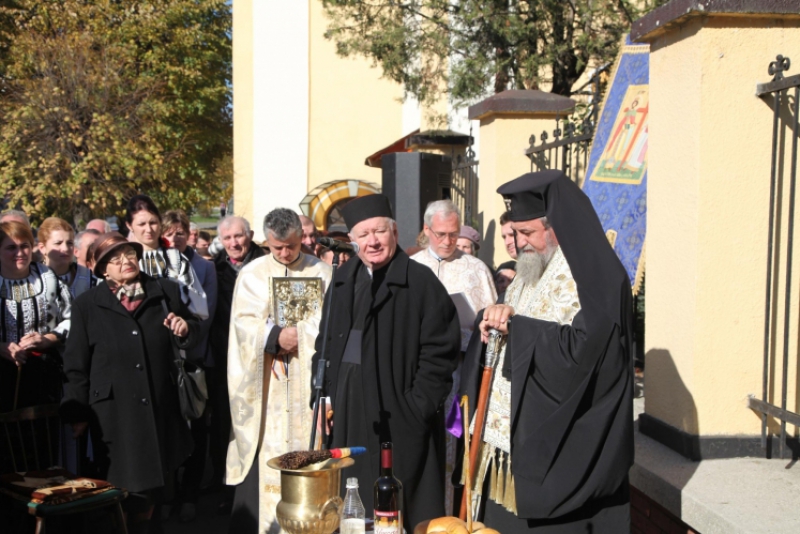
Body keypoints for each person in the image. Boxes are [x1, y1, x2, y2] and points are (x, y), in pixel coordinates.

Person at [462, 170, 634, 533]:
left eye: (527, 233)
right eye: (515, 233)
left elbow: (588, 352)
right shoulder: (530, 269)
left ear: (556, 227)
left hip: (566, 441)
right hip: (509, 437)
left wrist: (517, 329)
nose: (520, 243)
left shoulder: (599, 275)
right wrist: (489, 322)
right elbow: (515, 320)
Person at [312, 194, 461, 528]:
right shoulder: (342, 279)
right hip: (348, 416)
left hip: (400, 418)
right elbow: (324, 345)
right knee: (352, 503)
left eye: (380, 232)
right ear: (352, 241)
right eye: (363, 235)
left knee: (399, 507)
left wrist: (416, 407)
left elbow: (441, 352)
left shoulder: (421, 283)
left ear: (395, 232)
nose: (373, 241)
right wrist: (321, 399)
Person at [60, 232, 199, 534]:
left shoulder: (164, 291)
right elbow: (76, 364)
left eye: (129, 254)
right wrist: (78, 414)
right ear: (102, 269)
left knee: (156, 488)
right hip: (114, 413)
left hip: (159, 405)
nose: (125, 261)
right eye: (115, 258)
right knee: (125, 490)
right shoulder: (87, 305)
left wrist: (185, 328)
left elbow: (194, 331)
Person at [226, 208, 332, 534]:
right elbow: (242, 327)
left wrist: (301, 334)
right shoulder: (252, 274)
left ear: (302, 237)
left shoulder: (323, 272)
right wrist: (274, 336)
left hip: (307, 385)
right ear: (266, 242)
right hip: (268, 389)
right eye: (277, 248)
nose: (285, 254)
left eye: (290, 246)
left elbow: (332, 325)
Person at [410, 200, 496, 514]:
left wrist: (471, 333)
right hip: (418, 377)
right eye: (441, 234)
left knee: (455, 446)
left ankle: (455, 516)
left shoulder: (476, 270)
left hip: (461, 376)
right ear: (426, 231)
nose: (447, 241)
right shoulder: (411, 267)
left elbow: (491, 327)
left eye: (453, 234)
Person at [161, 209, 218, 523]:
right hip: (163, 360)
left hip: (194, 357)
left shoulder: (202, 267)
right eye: (170, 232)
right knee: (169, 428)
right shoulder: (154, 263)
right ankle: (169, 492)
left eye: (181, 231)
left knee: (197, 428)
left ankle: (191, 493)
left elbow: (205, 315)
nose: (176, 237)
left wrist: (186, 337)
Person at [208, 216, 264, 516]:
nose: (234, 243)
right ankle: (226, 488)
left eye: (239, 237)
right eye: (227, 238)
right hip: (223, 359)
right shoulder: (213, 269)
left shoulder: (266, 262)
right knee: (224, 427)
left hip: (262, 356)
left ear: (250, 235)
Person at [0, 221, 72, 412]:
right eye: (11, 248)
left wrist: (48, 339)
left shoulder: (47, 277)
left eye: (24, 246)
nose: (20, 253)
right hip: (2, 375)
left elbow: (73, 318)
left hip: (43, 372)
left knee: (41, 436)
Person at [125, 194, 208, 320]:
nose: (148, 229)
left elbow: (197, 308)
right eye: (141, 224)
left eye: (153, 222)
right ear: (129, 226)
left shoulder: (176, 259)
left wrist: (185, 324)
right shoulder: (121, 261)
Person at [38, 217, 98, 299]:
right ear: (42, 248)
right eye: (58, 243)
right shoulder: (33, 279)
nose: (65, 248)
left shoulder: (90, 278)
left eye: (69, 243)